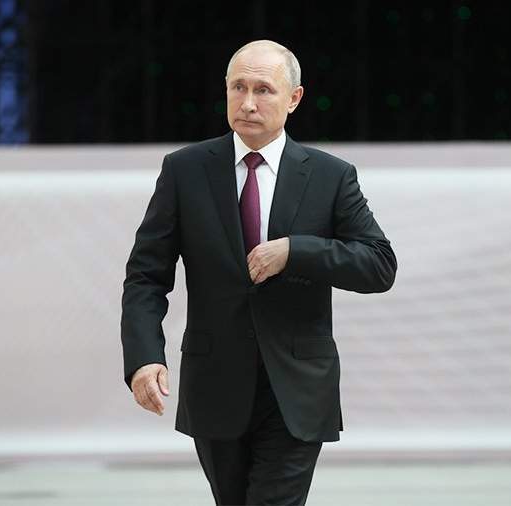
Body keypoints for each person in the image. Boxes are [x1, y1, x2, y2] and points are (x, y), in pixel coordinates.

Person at [120, 39, 396, 505]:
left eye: (263, 90)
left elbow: (379, 264)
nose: (247, 103)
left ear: (294, 98)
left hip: (297, 389)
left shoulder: (330, 176)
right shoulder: (185, 170)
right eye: (238, 87)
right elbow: (146, 276)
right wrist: (144, 356)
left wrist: (297, 251)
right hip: (215, 384)